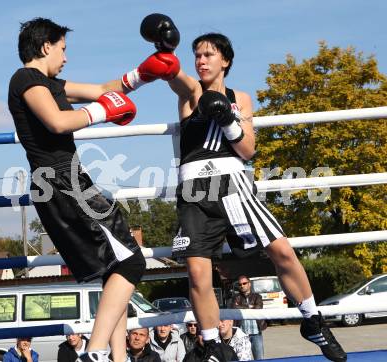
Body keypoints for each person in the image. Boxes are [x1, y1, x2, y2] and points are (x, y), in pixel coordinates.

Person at [138, 13, 347, 362]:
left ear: (225, 60)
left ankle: (312, 320)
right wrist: (164, 48)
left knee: (282, 251)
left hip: (234, 184)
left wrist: (227, 121)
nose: (201, 61)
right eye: (197, 55)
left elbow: (248, 149)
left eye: (208, 55)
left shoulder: (241, 98)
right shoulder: (191, 92)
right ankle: (211, 344)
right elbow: (173, 74)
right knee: (197, 270)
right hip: (194, 190)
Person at [8, 17, 179, 362]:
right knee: (130, 262)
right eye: (62, 49)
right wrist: (100, 112)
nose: (66, 57)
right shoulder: (26, 79)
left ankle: (115, 357)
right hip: (61, 181)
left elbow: (104, 89)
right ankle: (95, 352)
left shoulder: (49, 82)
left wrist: (144, 73)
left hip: (63, 181)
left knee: (113, 270)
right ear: (45, 47)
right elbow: (58, 121)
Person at [231, 276, 266, 360]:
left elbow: (258, 308)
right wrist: (250, 306)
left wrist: (241, 307)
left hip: (256, 333)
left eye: (244, 283)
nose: (242, 286)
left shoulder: (257, 296)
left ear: (249, 284)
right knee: (242, 359)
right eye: (240, 284)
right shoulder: (235, 297)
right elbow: (234, 308)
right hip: (241, 335)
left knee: (259, 359)